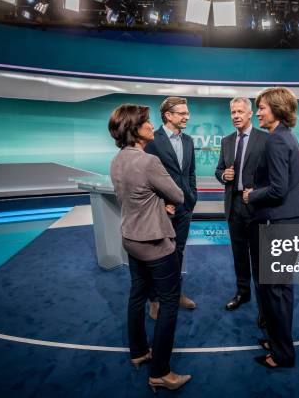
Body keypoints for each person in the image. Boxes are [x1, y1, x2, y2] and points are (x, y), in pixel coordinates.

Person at [109, 104, 191, 391]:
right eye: (146, 122)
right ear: (136, 129)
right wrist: (162, 199)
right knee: (169, 304)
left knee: (137, 295)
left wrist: (156, 201)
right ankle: (160, 372)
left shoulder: (117, 159)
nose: (151, 126)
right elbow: (178, 195)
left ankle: (139, 351)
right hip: (155, 243)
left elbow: (137, 197)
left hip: (130, 239)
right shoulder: (149, 162)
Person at [243, 87, 299, 369]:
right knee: (279, 288)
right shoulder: (284, 137)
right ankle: (277, 341)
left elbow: (278, 189)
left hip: (282, 222)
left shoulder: (277, 141)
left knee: (275, 290)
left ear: (278, 109)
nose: (257, 112)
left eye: (262, 107)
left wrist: (251, 195)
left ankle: (282, 355)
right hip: (290, 221)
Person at [145, 97, 197, 319]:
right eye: (182, 113)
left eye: (187, 113)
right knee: (157, 255)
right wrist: (161, 204)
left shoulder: (188, 141)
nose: (187, 116)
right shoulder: (151, 141)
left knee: (178, 252)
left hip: (184, 208)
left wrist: (191, 197)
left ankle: (174, 294)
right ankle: (155, 300)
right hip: (161, 210)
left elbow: (190, 172)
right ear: (168, 115)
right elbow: (145, 178)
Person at [215, 98, 268, 316]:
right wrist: (223, 175)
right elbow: (218, 170)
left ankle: (264, 306)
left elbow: (273, 177)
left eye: (240, 112)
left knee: (259, 259)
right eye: (232, 112)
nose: (235, 116)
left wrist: (255, 193)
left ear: (250, 114)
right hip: (234, 205)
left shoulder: (265, 140)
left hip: (256, 207)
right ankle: (242, 293)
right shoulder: (227, 141)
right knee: (239, 256)